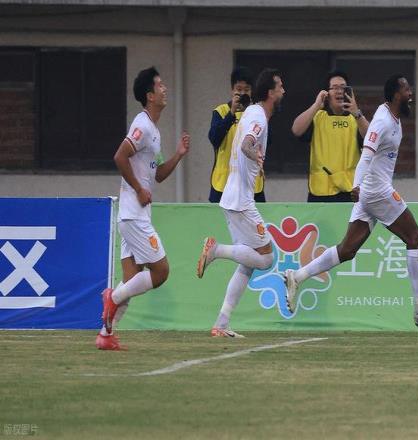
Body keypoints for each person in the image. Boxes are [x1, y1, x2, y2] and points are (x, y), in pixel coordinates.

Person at [285, 74, 418, 328]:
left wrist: (358, 114)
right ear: (396, 94)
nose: (410, 93)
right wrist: (357, 185)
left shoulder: (391, 117)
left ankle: (297, 276)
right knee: (414, 237)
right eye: (406, 89)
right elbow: (366, 156)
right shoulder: (383, 121)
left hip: (369, 192)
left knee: (347, 250)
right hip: (377, 190)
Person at [96, 66, 190, 350]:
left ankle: (105, 335)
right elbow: (120, 156)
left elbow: (157, 174)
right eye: (160, 85)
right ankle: (111, 298)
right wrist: (138, 189)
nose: (165, 89)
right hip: (134, 215)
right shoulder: (143, 125)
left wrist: (179, 155)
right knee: (161, 272)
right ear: (149, 95)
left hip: (132, 216)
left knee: (131, 282)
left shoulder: (154, 131)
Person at [197, 68, 285, 338]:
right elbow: (247, 143)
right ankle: (216, 250)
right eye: (280, 86)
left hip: (233, 197)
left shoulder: (251, 112)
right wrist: (254, 154)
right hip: (241, 201)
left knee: (247, 263)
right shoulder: (258, 115)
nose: (283, 91)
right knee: (267, 258)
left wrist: (254, 158)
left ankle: (221, 323)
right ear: (270, 92)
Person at [292, 70, 370, 202]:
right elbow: (296, 130)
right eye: (334, 88)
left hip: (350, 190)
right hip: (321, 191)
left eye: (343, 87)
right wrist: (316, 105)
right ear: (327, 93)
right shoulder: (317, 117)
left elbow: (371, 139)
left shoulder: (356, 119)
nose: (339, 91)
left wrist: (357, 113)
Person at [208, 66, 266, 203]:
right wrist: (231, 113)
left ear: (251, 92)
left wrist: (250, 111)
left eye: (246, 90)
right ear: (232, 90)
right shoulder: (221, 111)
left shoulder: (257, 112)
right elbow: (214, 139)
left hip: (251, 182)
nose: (242, 93)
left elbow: (267, 140)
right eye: (238, 90)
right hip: (223, 183)